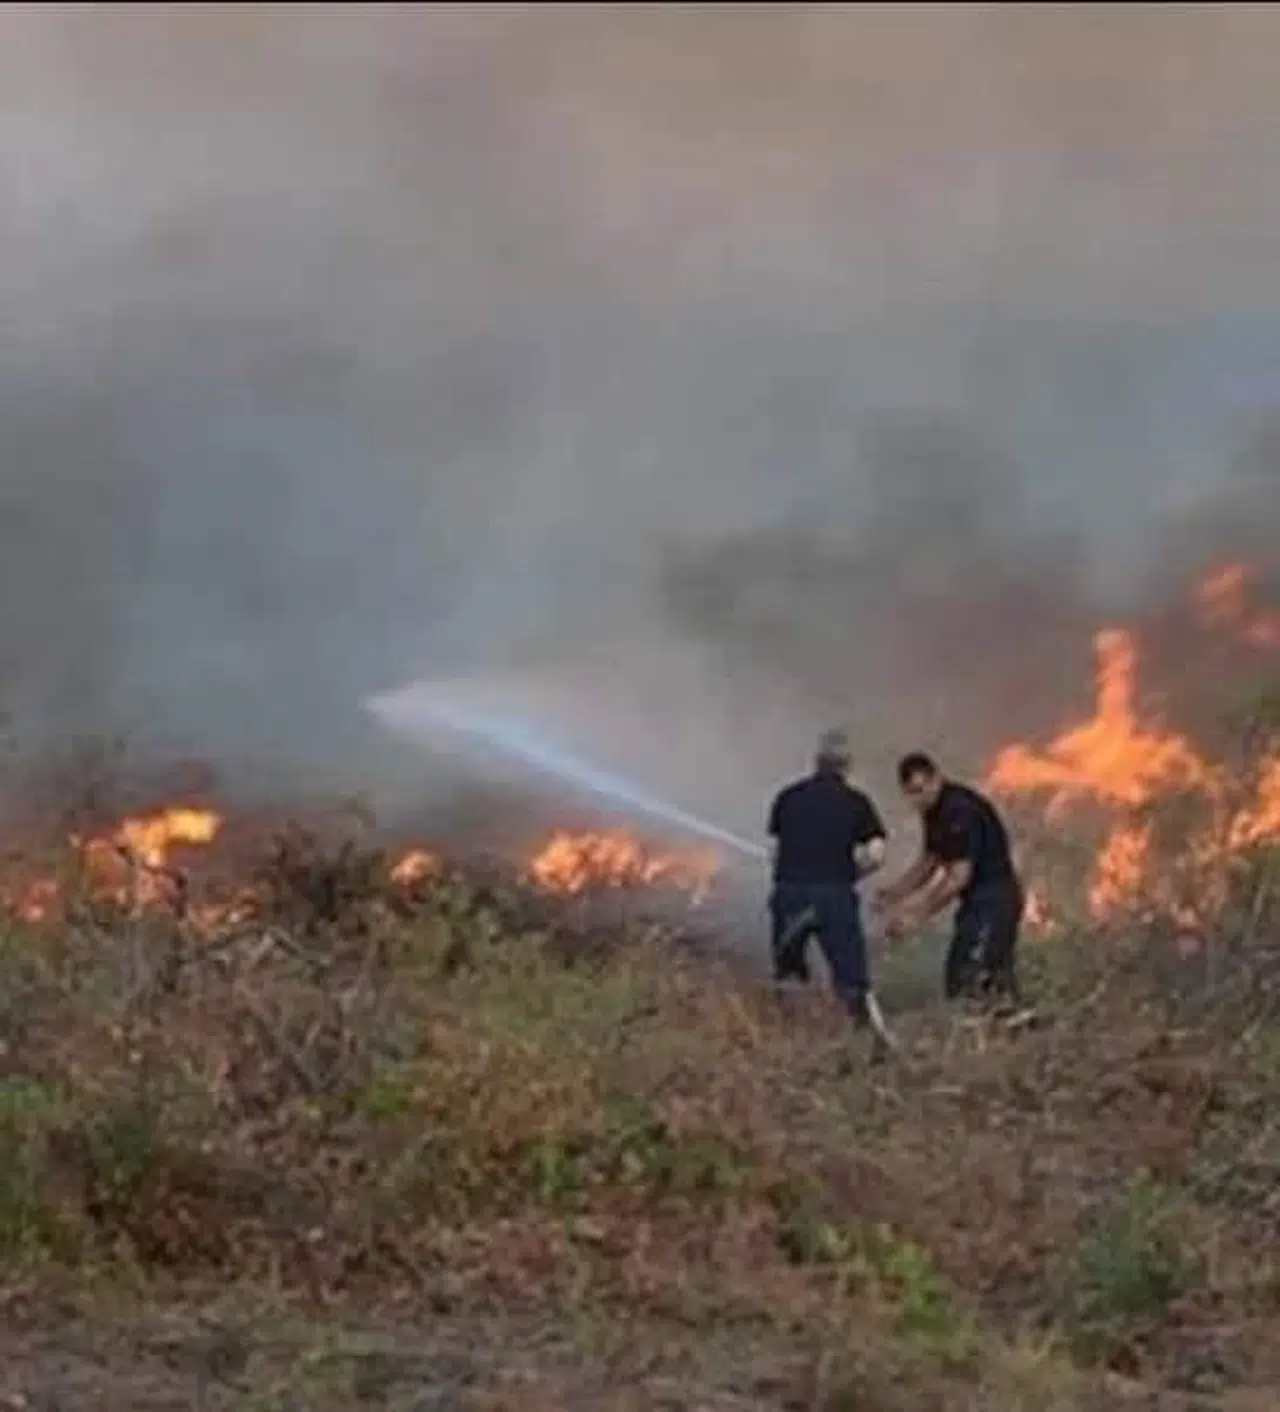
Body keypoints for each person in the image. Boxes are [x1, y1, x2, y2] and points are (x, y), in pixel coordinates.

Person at [766, 729, 891, 1047]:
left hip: (790, 893)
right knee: (851, 974)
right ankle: (871, 1042)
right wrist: (851, 874)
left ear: (816, 762)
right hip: (834, 896)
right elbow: (877, 855)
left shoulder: (787, 796)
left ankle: (788, 1039)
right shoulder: (856, 802)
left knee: (789, 971)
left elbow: (774, 853)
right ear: (846, 766)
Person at [873, 751, 1025, 1005]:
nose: (918, 799)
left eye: (921, 790)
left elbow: (958, 877)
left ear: (936, 778)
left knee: (975, 974)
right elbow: (930, 860)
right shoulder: (933, 811)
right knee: (962, 973)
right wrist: (895, 893)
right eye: (911, 793)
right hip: (976, 902)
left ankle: (997, 1030)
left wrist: (917, 915)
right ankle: (998, 1028)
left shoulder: (960, 810)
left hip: (995, 899)